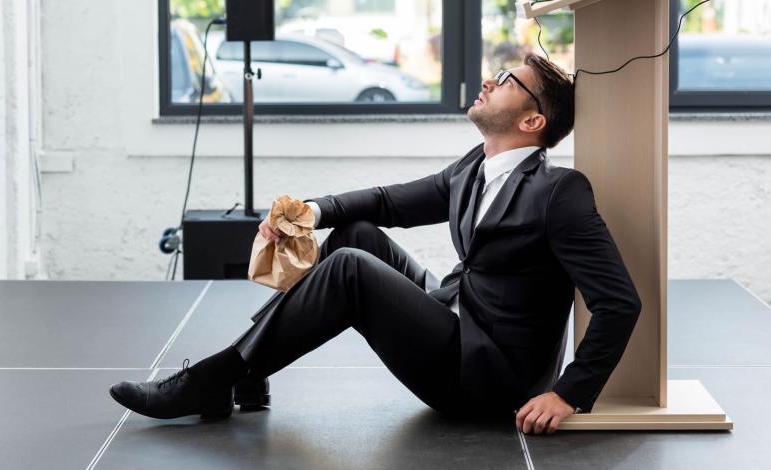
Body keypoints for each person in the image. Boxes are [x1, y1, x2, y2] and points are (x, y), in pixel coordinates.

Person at [109, 53, 642, 436]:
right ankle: (250, 376)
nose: (488, 80)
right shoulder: (475, 168)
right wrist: (309, 213)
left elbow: (618, 301)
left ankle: (217, 376)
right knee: (356, 235)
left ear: (532, 121)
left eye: (505, 80)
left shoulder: (558, 192)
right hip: (460, 315)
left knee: (350, 269)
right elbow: (389, 202)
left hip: (488, 376)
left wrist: (569, 393)